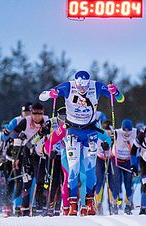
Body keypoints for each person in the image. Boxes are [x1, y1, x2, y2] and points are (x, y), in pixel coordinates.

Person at [39, 70, 124, 216]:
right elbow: (42, 96)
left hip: (90, 131)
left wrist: (116, 92)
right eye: (80, 86)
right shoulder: (68, 87)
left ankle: (89, 202)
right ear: (76, 83)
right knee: (74, 167)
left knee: (90, 169)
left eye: (85, 86)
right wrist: (50, 94)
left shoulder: (96, 86)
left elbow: (120, 99)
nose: (82, 89)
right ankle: (72, 203)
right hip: (73, 131)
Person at [111, 119, 137, 214]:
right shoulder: (117, 133)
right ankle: (114, 204)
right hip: (116, 160)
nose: (127, 133)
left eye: (128, 131)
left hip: (128, 160)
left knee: (128, 184)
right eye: (125, 131)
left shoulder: (135, 132)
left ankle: (129, 204)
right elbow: (107, 137)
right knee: (116, 182)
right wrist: (110, 138)